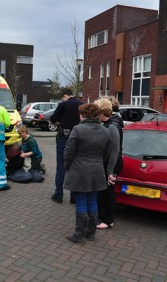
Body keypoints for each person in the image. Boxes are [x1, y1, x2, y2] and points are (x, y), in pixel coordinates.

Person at [63, 103, 111, 243]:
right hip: (97, 170)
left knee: (81, 201)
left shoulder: (78, 129)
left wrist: (68, 167)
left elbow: (68, 152)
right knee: (92, 200)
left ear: (83, 115)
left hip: (79, 170)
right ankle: (91, 232)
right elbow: (106, 153)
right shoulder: (105, 131)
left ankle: (79, 234)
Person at [50, 88, 83, 204]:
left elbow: (52, 119)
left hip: (63, 139)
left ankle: (59, 194)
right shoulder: (81, 104)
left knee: (61, 167)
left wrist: (60, 123)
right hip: (77, 140)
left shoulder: (63, 105)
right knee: (75, 167)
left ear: (65, 95)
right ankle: (73, 196)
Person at [95, 97, 124, 229]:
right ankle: (104, 217)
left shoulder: (112, 126)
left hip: (111, 164)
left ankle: (107, 220)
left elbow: (115, 150)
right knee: (104, 191)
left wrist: (110, 172)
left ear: (102, 113)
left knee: (107, 192)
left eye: (97, 113)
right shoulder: (111, 123)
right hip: (108, 163)